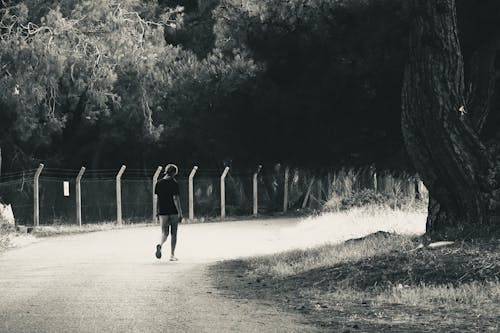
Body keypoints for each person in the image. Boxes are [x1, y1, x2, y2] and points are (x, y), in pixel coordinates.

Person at [154, 164, 183, 261]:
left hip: (163, 211)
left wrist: (157, 211)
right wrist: (180, 212)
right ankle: (172, 255)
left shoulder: (158, 183)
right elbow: (176, 198)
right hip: (173, 211)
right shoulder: (174, 183)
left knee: (164, 233)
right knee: (174, 233)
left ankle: (160, 244)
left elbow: (157, 199)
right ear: (174, 173)